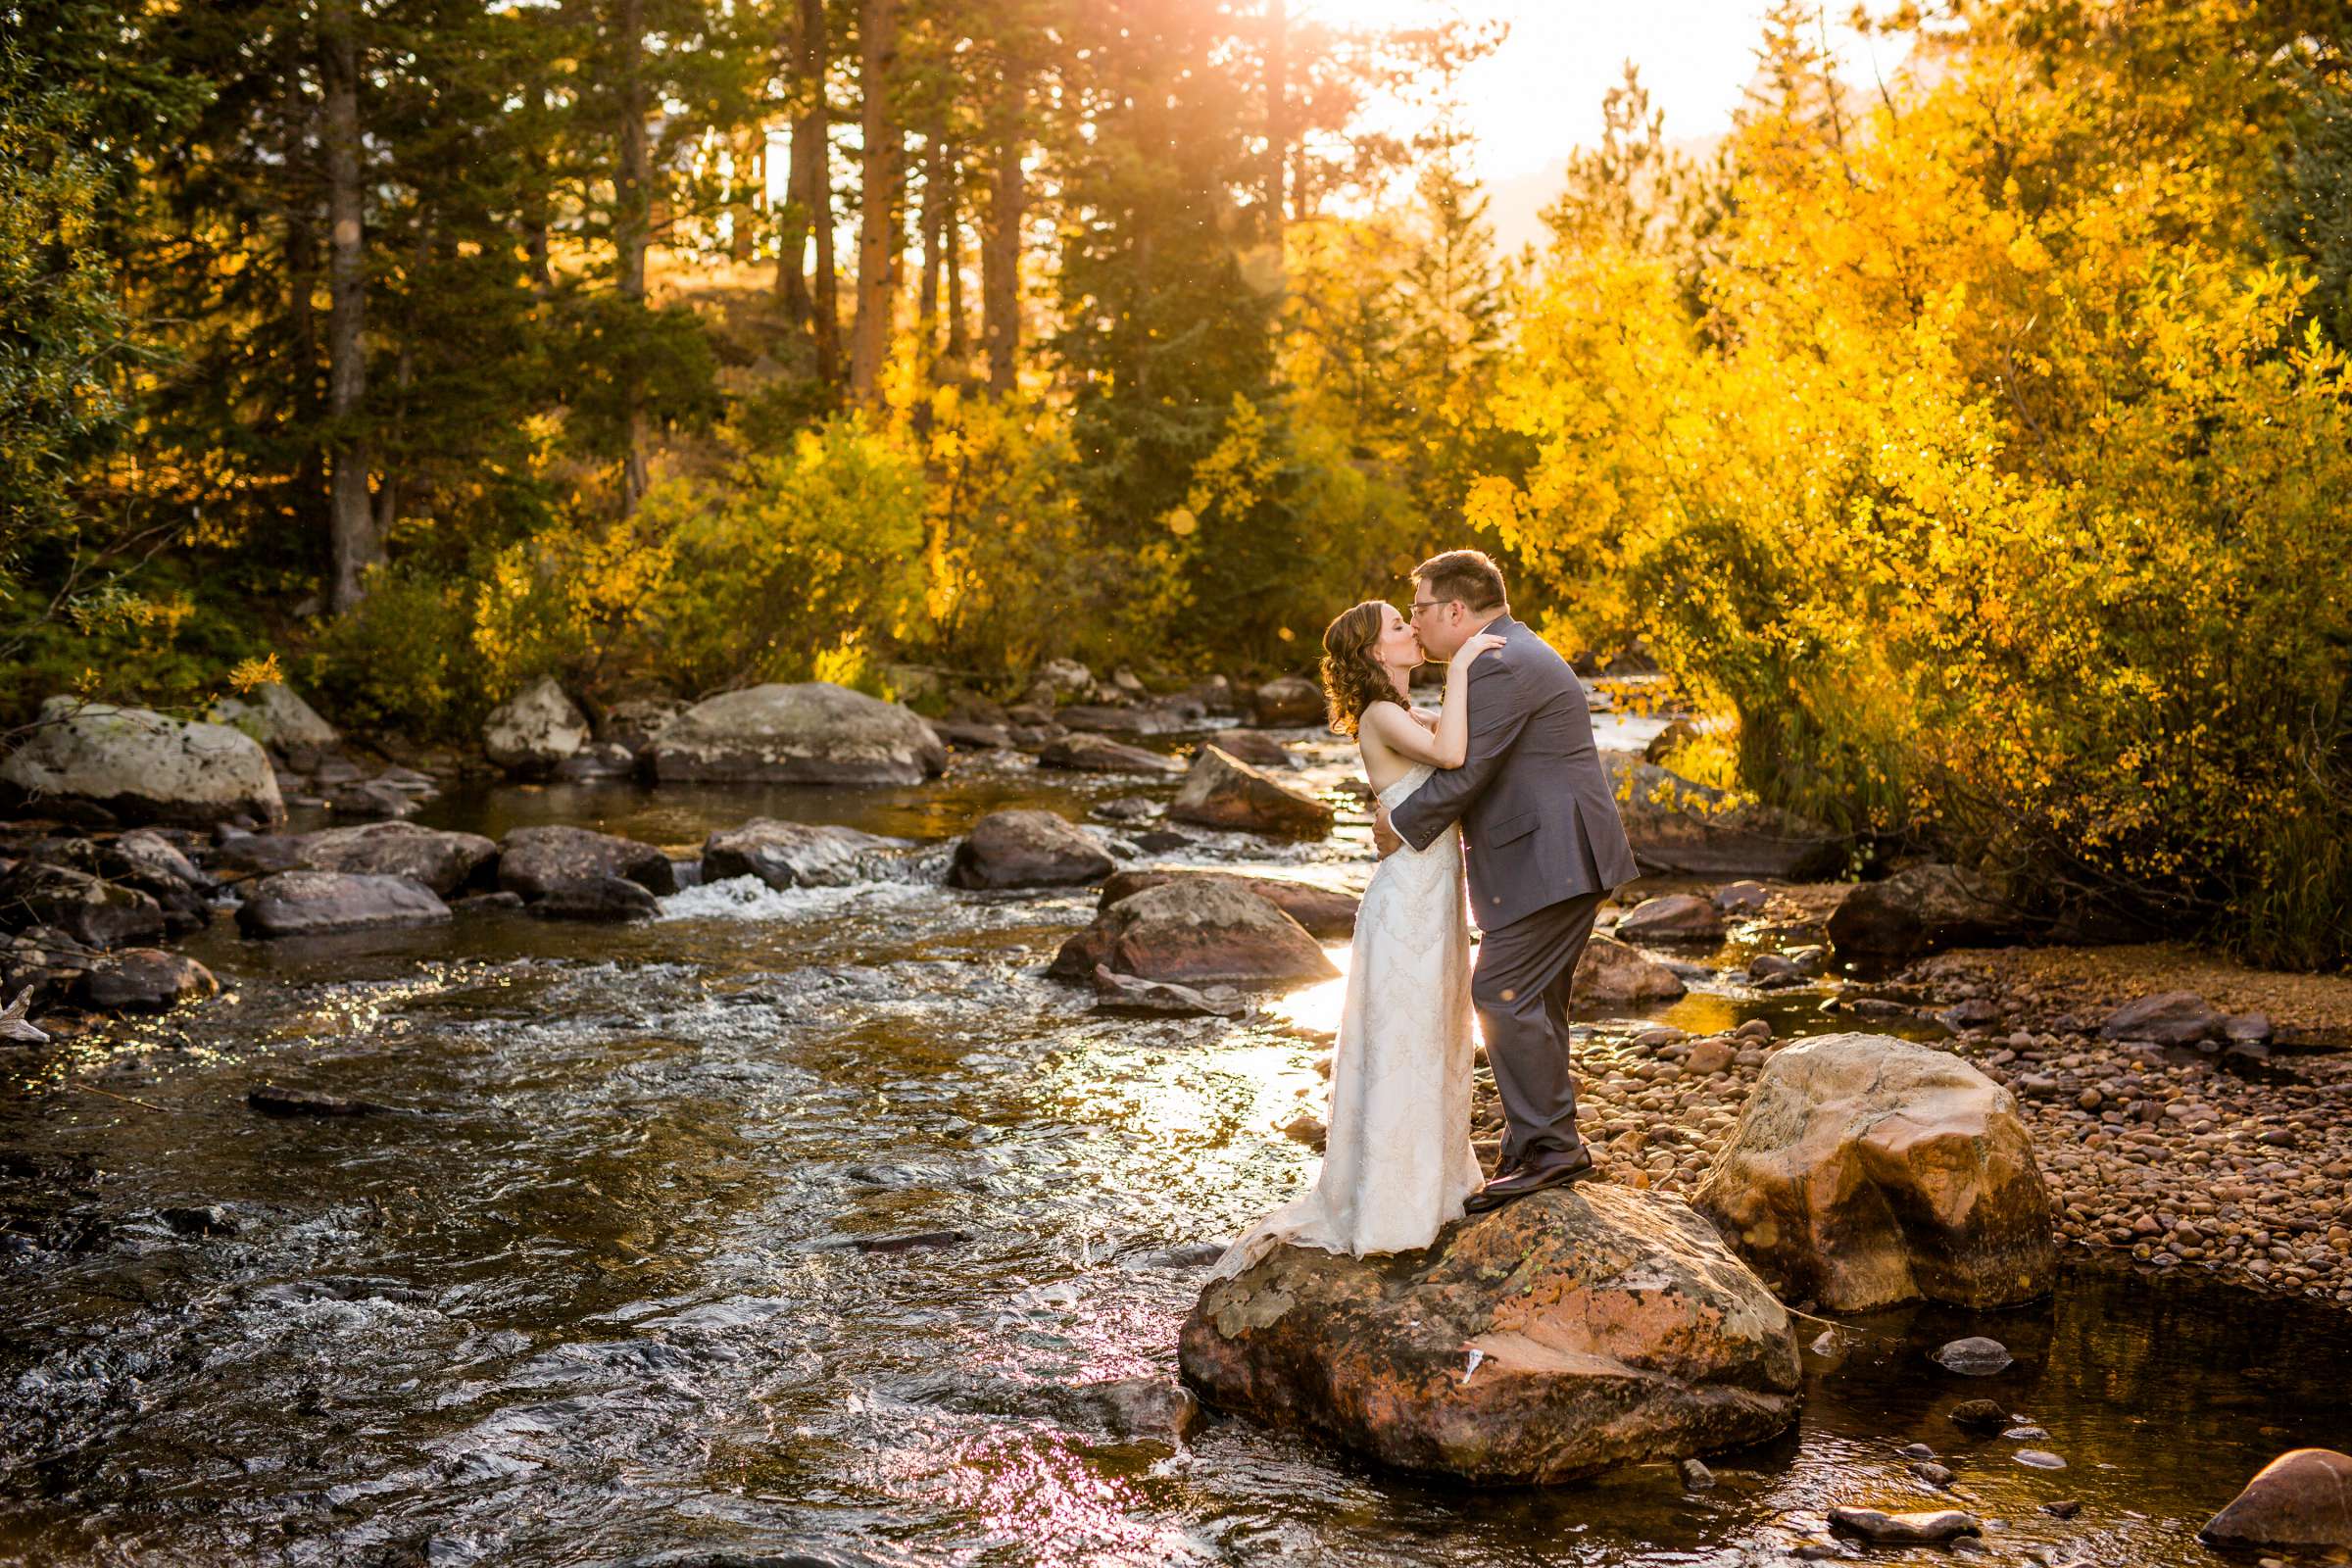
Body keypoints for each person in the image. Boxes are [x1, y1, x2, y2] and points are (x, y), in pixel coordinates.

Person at [1211, 599, 1503, 1273]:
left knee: (1434, 1032)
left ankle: (1437, 1185)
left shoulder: (1400, 712)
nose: (1411, 631)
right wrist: (1461, 666)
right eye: (1399, 627)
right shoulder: (1381, 715)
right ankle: (1391, 1207)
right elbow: (1453, 753)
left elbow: (1458, 750)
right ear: (1376, 653)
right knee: (1405, 1037)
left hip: (1432, 895)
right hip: (1406, 900)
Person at [1375, 549, 1641, 1212]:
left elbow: (1467, 775)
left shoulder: (1496, 662)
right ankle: (1536, 1140)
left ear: (1455, 610)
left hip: (1552, 858)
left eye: (1420, 610)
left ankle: (1553, 1148)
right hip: (1551, 857)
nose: (1416, 623)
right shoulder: (1504, 654)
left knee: (1500, 992)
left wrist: (1398, 824)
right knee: (1536, 998)